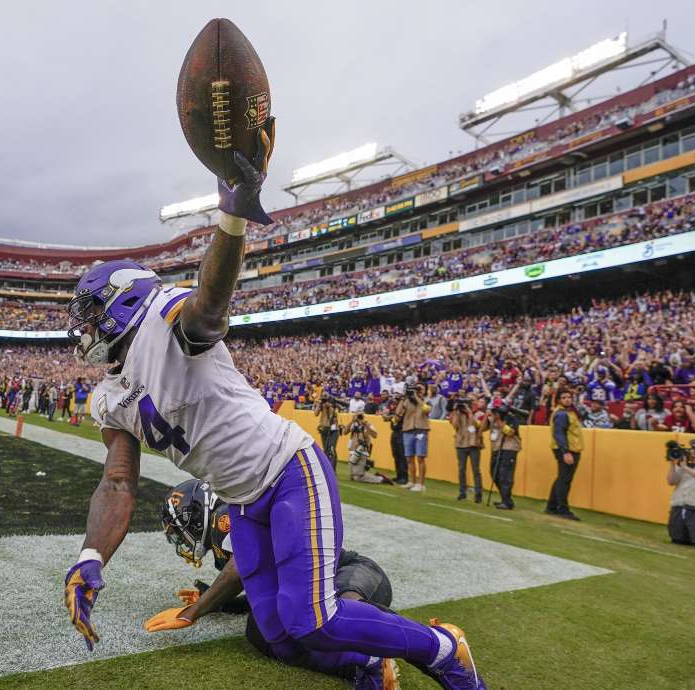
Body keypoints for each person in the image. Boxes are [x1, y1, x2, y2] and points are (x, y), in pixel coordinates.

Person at [62, 124, 485, 690]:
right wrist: (91, 555)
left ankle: (442, 648)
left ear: (123, 300)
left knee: (316, 617)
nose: (82, 326)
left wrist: (231, 218)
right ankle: (366, 664)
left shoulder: (165, 321)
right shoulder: (109, 396)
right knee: (280, 633)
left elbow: (209, 311)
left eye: (90, 310)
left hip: (286, 471)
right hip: (242, 499)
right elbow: (117, 483)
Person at [146, 480, 400, 687]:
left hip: (352, 572)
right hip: (324, 582)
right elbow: (265, 588)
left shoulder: (225, 516)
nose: (180, 539)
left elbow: (239, 569)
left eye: (180, 528)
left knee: (331, 618)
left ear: (198, 515)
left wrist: (196, 610)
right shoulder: (227, 524)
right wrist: (223, 604)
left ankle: (412, 641)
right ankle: (361, 663)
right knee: (263, 628)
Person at [547, 390, 582, 521]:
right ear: (559, 400)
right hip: (567, 449)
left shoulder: (567, 413)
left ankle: (551, 506)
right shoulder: (562, 414)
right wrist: (566, 452)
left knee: (562, 478)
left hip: (567, 448)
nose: (567, 399)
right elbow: (559, 434)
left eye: (569, 397)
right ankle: (563, 509)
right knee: (565, 480)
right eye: (564, 397)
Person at [486, 404, 521, 510]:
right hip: (497, 448)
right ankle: (506, 499)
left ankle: (506, 501)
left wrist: (499, 421)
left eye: (495, 412)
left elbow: (510, 432)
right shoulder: (492, 419)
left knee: (505, 476)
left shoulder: (512, 418)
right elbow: (482, 428)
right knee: (494, 473)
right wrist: (487, 417)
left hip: (509, 448)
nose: (494, 414)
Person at [450, 398, 483, 502]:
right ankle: (462, 492)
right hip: (461, 443)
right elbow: (455, 425)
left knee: (476, 470)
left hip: (474, 444)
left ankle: (478, 493)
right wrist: (455, 411)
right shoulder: (458, 413)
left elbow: (477, 425)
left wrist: (469, 413)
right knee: (461, 469)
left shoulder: (479, 414)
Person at [400, 385, 431, 492]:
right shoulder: (407, 401)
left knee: (420, 457)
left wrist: (416, 397)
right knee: (409, 457)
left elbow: (426, 410)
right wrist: (403, 398)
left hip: (421, 429)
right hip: (408, 429)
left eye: (419, 389)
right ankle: (411, 481)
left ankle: (421, 484)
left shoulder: (426, 400)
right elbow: (399, 412)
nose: (417, 391)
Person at [315, 396, 341, 464]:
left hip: (334, 431)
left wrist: (328, 406)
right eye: (323, 400)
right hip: (324, 429)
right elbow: (316, 414)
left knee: (331, 448)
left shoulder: (333, 407)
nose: (324, 402)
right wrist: (319, 405)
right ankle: (327, 466)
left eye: (326, 400)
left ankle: (333, 467)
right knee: (326, 449)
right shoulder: (322, 407)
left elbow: (333, 414)